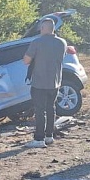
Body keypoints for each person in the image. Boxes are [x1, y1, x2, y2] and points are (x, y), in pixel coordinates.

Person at [22, 17, 67, 148]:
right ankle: (49, 136)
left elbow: (26, 60)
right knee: (51, 108)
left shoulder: (37, 42)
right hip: (55, 81)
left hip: (39, 82)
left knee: (40, 111)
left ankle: (39, 139)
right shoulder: (62, 43)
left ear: (43, 28)